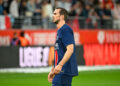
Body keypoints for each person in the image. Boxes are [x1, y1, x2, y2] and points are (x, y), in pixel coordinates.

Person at [48, 7, 78, 86]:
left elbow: (70, 49)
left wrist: (60, 65)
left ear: (62, 16)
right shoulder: (60, 30)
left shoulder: (65, 29)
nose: (53, 15)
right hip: (60, 71)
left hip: (63, 70)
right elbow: (60, 53)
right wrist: (53, 69)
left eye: (55, 14)